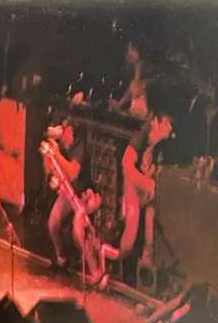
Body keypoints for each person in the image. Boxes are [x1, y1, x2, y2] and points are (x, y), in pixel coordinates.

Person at [43, 119, 111, 287]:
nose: (62, 134)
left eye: (66, 130)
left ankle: (96, 272)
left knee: (78, 232)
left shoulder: (79, 148)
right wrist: (50, 155)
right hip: (68, 192)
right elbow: (49, 170)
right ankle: (61, 259)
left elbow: (73, 172)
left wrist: (56, 153)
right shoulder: (60, 147)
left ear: (72, 133)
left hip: (85, 195)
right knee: (53, 223)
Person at [119, 108, 175, 269]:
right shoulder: (141, 137)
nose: (170, 128)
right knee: (129, 239)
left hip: (147, 191)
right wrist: (145, 182)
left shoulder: (162, 144)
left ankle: (146, 262)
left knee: (150, 236)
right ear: (156, 122)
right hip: (133, 187)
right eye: (166, 123)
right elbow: (126, 165)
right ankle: (114, 257)